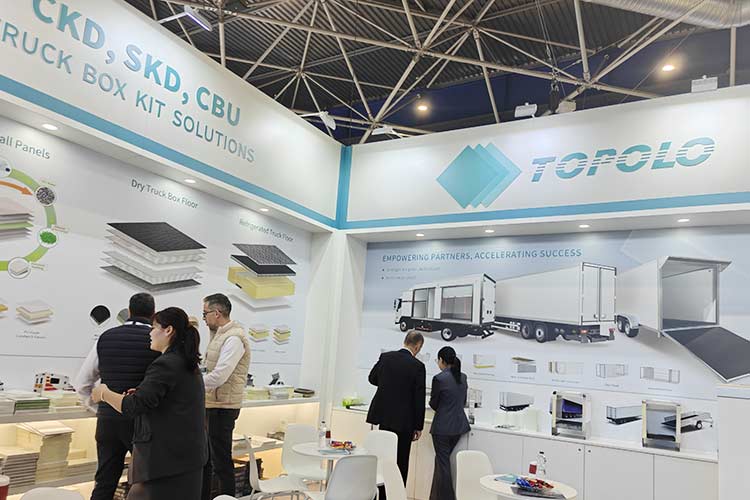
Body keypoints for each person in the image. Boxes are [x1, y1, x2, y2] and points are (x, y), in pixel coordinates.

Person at [92, 307, 208, 500]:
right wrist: (141, 393)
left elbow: (133, 406)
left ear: (168, 330)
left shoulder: (166, 363)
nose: (150, 333)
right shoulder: (184, 362)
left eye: (154, 328)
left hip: (166, 461)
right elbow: (169, 398)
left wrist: (104, 393)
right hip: (185, 458)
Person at [74, 293, 160, 500]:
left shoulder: (106, 337)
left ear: (129, 311)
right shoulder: (157, 340)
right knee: (145, 482)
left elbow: (82, 383)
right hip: (143, 423)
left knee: (104, 481)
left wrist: (98, 408)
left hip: (108, 422)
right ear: (153, 314)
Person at [200, 293, 251, 500]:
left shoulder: (233, 338)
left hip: (223, 407)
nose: (204, 318)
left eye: (205, 313)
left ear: (217, 313)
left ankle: (227, 497)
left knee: (221, 461)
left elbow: (220, 375)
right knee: (206, 460)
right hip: (213, 404)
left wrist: (193, 383)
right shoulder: (219, 335)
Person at [366, 330, 426, 485]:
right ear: (417, 346)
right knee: (401, 462)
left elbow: (372, 378)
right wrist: (418, 426)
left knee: (383, 458)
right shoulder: (418, 366)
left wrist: (387, 384)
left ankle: (381, 493)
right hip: (405, 422)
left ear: (405, 341)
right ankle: (396, 493)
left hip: (384, 418)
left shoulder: (386, 357)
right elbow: (419, 398)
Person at [428, 346, 470, 500]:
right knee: (441, 463)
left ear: (442, 360)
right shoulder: (463, 377)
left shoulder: (439, 379)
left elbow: (434, 404)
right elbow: (463, 401)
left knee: (443, 465)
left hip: (442, 428)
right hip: (459, 427)